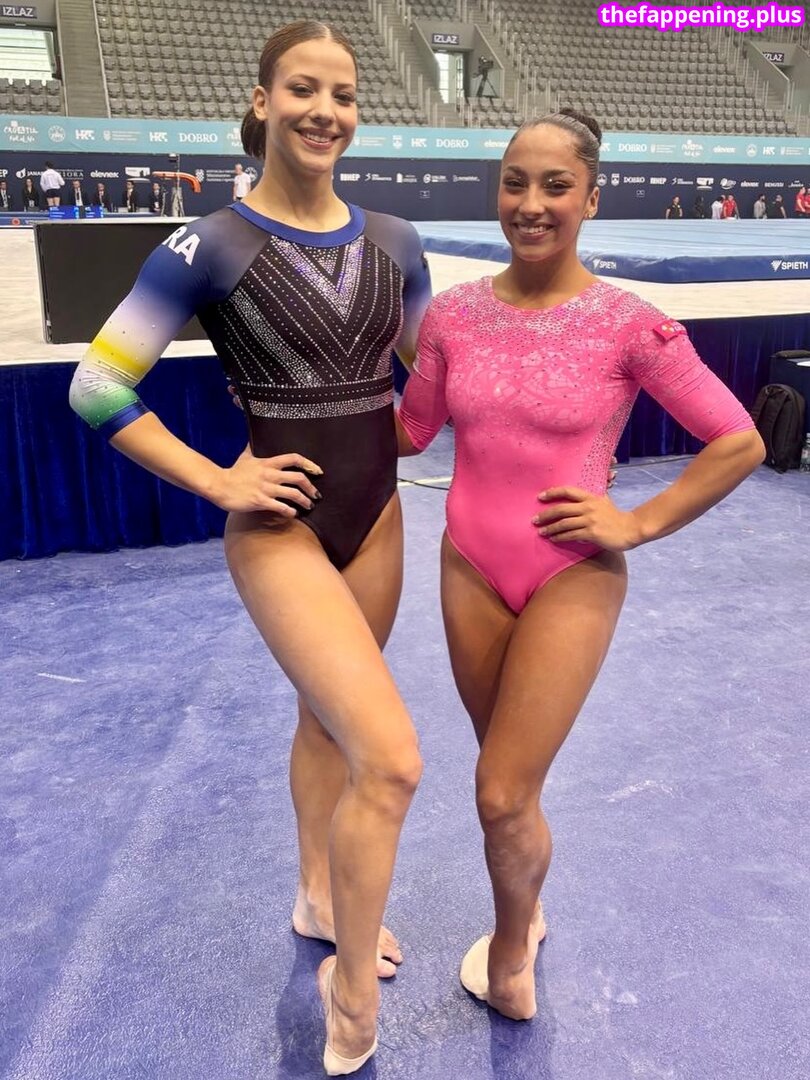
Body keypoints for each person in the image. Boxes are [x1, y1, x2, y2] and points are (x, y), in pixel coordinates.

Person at [69, 20, 431, 1075]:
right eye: (304, 90)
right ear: (264, 100)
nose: (326, 111)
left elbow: (433, 376)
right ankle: (348, 990)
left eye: (344, 94)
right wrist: (218, 479)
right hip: (279, 530)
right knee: (391, 760)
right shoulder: (209, 246)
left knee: (327, 720)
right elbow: (96, 384)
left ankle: (318, 892)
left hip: (378, 519)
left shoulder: (398, 240)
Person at [396, 107, 764, 1023]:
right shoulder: (454, 316)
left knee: (498, 793)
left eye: (555, 186)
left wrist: (636, 523)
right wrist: (300, 396)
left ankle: (511, 952)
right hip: (469, 567)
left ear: (591, 199)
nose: (531, 203)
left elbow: (738, 440)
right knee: (507, 780)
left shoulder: (629, 325)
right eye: (515, 183)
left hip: (570, 573)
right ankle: (527, 909)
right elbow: (410, 430)